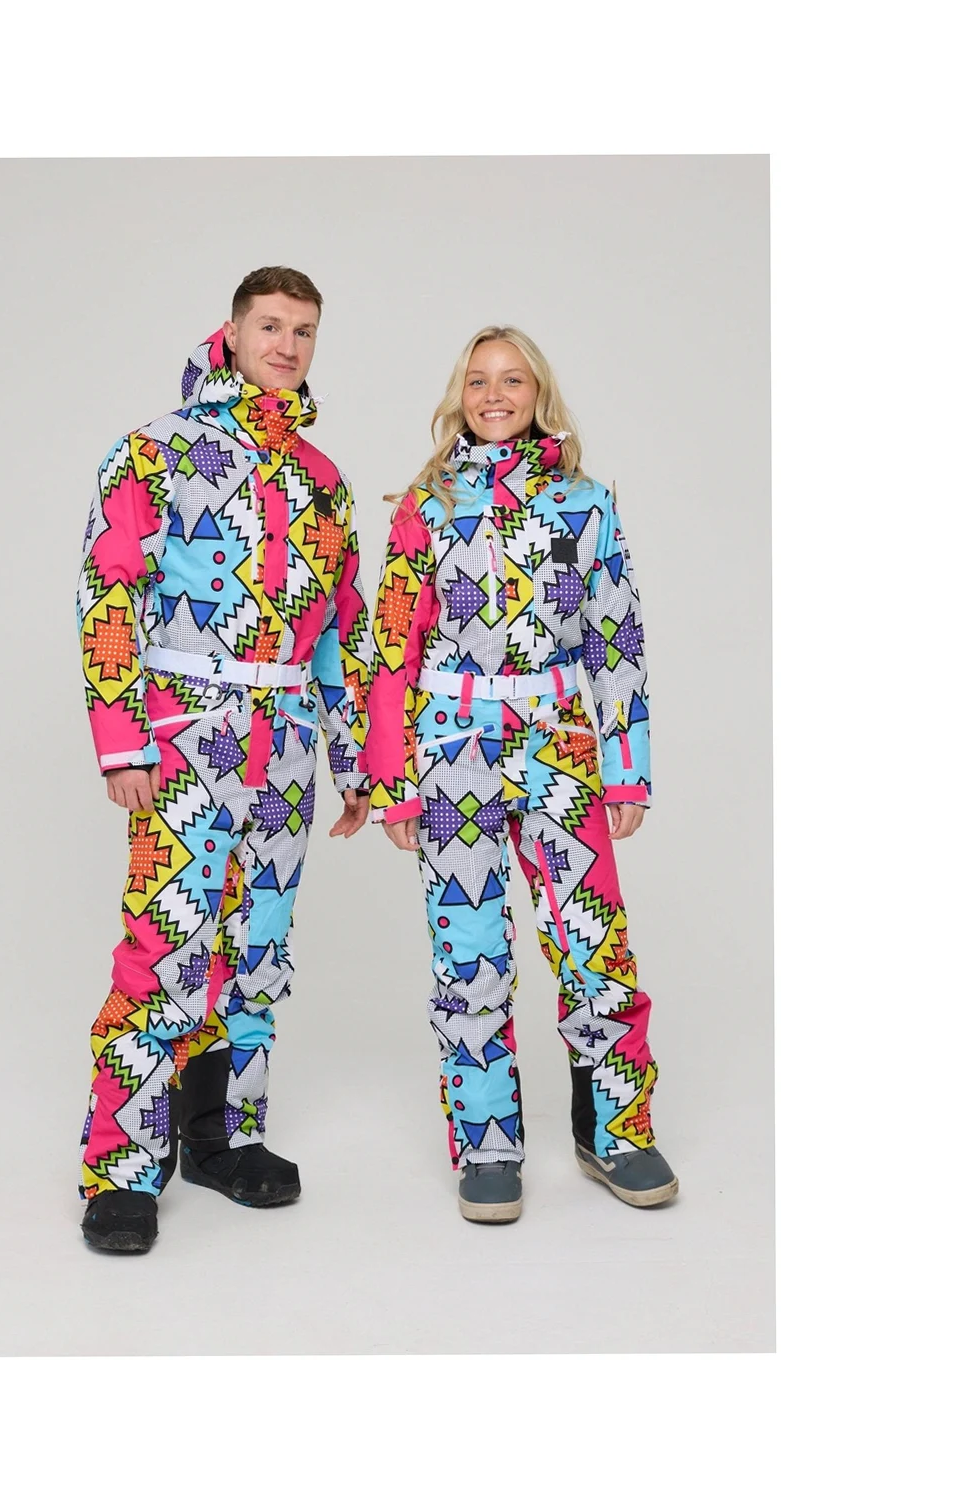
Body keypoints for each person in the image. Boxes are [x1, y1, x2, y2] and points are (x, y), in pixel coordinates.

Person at [76, 266, 371, 1253]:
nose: (287, 345)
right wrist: (122, 740)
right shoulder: (153, 452)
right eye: (271, 325)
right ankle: (123, 1167)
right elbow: (107, 594)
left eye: (304, 330)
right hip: (184, 734)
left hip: (284, 747)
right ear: (234, 333)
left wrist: (354, 761)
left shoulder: (323, 480)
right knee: (166, 944)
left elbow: (338, 631)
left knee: (258, 945)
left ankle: (220, 1135)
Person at [365, 326, 677, 1223]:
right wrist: (391, 780)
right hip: (450, 752)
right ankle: (488, 1144)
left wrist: (626, 771)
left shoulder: (587, 504)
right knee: (470, 953)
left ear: (539, 393)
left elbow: (617, 640)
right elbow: (391, 649)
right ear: (458, 396)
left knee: (594, 944)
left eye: (512, 380)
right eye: (477, 381)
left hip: (559, 747)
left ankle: (616, 1129)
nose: (494, 395)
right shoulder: (424, 505)